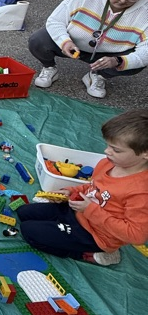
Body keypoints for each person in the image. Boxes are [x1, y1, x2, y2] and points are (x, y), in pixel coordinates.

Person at [18, 110, 148, 266]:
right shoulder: (108, 163)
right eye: (108, 145)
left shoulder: (141, 191)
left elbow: (136, 235)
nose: (106, 151)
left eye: (116, 150)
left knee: (29, 231)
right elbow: (93, 187)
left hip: (96, 235)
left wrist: (90, 209)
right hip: (78, 212)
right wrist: (72, 192)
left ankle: (89, 254)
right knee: (23, 212)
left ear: (145, 154)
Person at [29, 0, 148, 99]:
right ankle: (49, 68)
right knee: (38, 40)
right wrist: (64, 41)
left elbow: (145, 51)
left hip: (109, 55)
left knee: (135, 63)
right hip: (74, 45)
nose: (123, 0)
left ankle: (98, 75)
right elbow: (55, 20)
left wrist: (118, 61)